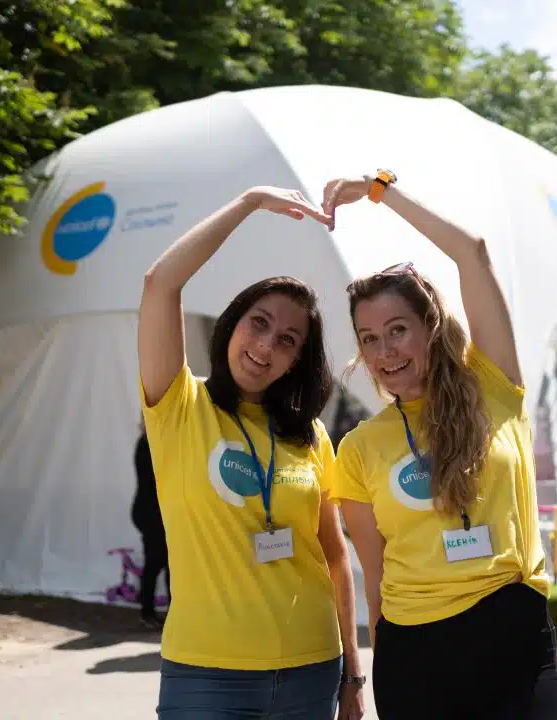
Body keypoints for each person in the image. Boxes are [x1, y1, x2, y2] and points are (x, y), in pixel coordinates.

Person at [325, 171, 557, 720]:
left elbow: (471, 253)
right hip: (416, 656)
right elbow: (377, 574)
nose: (385, 351)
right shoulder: (359, 447)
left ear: (430, 325)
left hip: (513, 636)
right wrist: (371, 673)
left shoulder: (494, 386)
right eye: (369, 338)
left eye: (397, 329)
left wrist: (382, 190)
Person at [138, 185, 365, 719]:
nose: (265, 346)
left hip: (311, 668)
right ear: (232, 323)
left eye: (287, 340)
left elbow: (333, 556)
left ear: (297, 362)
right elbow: (160, 283)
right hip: (205, 674)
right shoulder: (179, 404)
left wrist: (352, 672)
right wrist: (247, 204)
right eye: (258, 323)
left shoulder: (308, 435)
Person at [131, 425, 170, 629]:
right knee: (155, 563)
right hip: (151, 514)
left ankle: (167, 612)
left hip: (157, 512)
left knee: (168, 564)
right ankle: (147, 612)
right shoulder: (148, 445)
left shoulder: (149, 443)